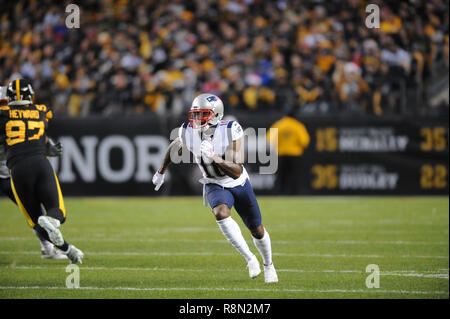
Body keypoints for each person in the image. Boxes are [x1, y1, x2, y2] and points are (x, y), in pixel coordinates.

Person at [152, 93, 278, 283]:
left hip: (238, 183)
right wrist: (161, 171)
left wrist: (214, 158)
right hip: (213, 183)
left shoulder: (230, 130)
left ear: (216, 114)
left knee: (257, 229)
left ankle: (269, 265)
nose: (196, 119)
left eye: (201, 114)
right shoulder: (187, 131)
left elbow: (236, 170)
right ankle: (250, 258)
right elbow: (174, 147)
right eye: (194, 114)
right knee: (220, 213)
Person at [0, 79, 83, 263]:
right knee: (57, 211)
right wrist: (48, 146)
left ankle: (59, 248)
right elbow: (38, 133)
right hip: (39, 162)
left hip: (16, 169)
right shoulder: (41, 111)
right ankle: (57, 243)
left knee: (36, 220)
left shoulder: (3, 114)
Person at [266, 112, 310, 195]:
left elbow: (269, 138)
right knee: (295, 176)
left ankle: (281, 193)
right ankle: (295, 193)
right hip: (295, 154)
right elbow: (304, 141)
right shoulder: (297, 126)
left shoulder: (279, 124)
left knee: (282, 176)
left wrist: (278, 145)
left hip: (282, 154)